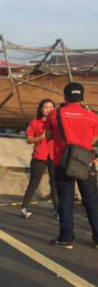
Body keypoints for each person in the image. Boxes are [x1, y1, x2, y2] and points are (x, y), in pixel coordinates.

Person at [45, 82, 98, 250]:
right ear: (82, 96)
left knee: (66, 201)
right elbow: (93, 140)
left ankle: (66, 238)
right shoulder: (92, 116)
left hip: (63, 163)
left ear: (65, 96)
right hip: (85, 162)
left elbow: (48, 136)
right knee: (92, 201)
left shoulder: (54, 114)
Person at [20, 99, 58, 219]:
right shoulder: (35, 123)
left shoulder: (57, 122)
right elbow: (28, 139)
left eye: (51, 107)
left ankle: (57, 210)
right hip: (39, 156)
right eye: (45, 107)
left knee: (55, 183)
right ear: (41, 109)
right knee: (34, 182)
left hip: (54, 156)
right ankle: (24, 207)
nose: (48, 109)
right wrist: (40, 137)